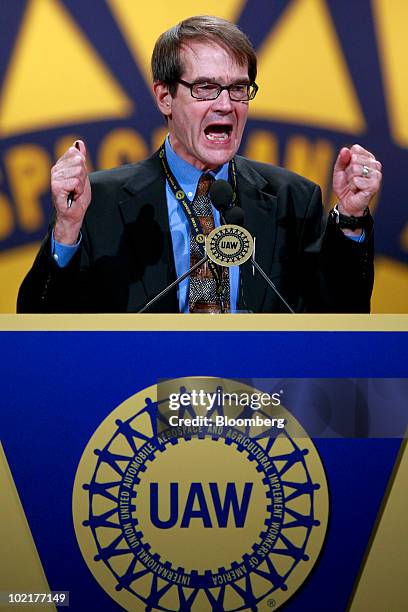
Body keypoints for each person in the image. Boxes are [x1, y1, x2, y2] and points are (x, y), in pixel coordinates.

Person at [17, 15, 382, 314]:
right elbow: (40, 324)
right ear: (165, 97)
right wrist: (66, 229)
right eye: (206, 88)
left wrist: (349, 217)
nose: (226, 104)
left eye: (239, 88)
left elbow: (342, 324)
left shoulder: (292, 199)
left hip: (259, 397)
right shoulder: (101, 202)